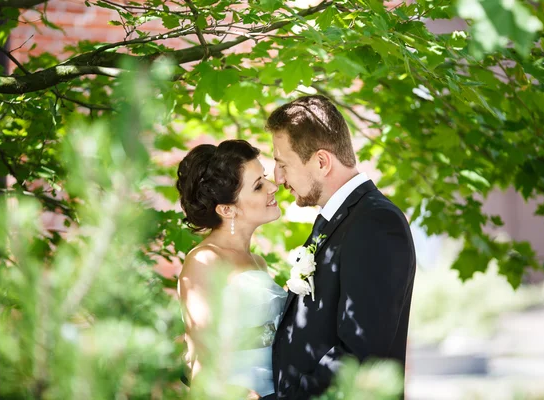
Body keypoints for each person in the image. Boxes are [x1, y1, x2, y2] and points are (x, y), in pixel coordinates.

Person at [266, 95, 416, 399]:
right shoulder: (341, 218)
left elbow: (359, 354)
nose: (278, 178)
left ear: (321, 162)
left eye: (283, 163)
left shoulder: (376, 223)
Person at [175, 140, 287, 399]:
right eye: (258, 186)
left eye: (266, 178)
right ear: (227, 209)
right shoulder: (205, 261)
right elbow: (200, 357)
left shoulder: (258, 262)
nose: (273, 187)